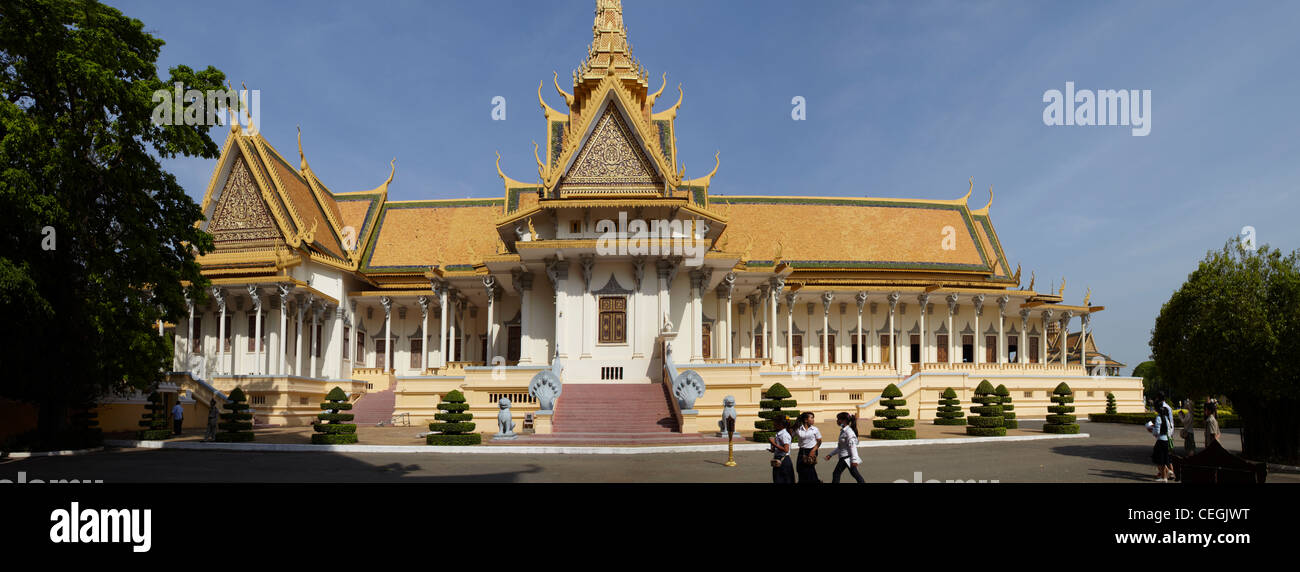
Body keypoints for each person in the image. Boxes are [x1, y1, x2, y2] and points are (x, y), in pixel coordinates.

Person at [824, 412, 865, 483]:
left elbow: (852, 446)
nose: (837, 421)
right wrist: (830, 454)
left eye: (838, 419)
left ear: (844, 420)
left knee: (836, 474)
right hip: (845, 457)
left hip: (846, 457)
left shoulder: (849, 432)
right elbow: (840, 447)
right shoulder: (843, 431)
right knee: (855, 474)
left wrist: (854, 460)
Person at [1149, 393, 1175, 482]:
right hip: (1166, 440)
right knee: (1164, 459)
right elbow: (1170, 428)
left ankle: (1166, 474)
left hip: (1161, 440)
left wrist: (1151, 430)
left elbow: (1156, 431)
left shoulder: (1159, 418)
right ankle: (1165, 476)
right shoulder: (1166, 418)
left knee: (1158, 459)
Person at [794, 412, 822, 484]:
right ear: (806, 420)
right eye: (811, 418)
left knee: (809, 469)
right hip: (802, 451)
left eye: (813, 418)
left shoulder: (815, 429)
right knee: (799, 468)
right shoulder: (798, 429)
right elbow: (790, 435)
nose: (813, 420)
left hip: (812, 450)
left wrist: (813, 451)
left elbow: (819, 441)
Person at [768, 415, 795, 484]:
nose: (773, 424)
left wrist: (773, 443)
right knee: (778, 478)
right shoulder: (779, 433)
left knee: (783, 479)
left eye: (775, 422)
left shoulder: (784, 435)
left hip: (784, 460)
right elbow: (780, 447)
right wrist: (773, 449)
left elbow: (786, 449)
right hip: (778, 458)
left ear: (780, 424)